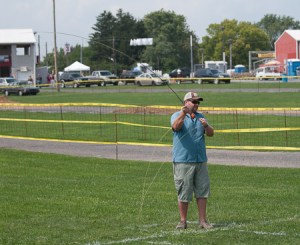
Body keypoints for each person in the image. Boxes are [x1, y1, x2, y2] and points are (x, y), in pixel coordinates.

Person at [171, 91, 214, 229]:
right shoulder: (176, 115)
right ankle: (183, 221)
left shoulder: (201, 117)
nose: (197, 104)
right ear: (186, 102)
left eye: (198, 102)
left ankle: (202, 221)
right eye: (194, 101)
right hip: (183, 160)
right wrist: (184, 113)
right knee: (184, 191)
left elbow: (211, 133)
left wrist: (206, 126)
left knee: (202, 191)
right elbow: (175, 127)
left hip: (200, 160)